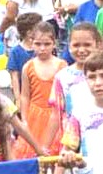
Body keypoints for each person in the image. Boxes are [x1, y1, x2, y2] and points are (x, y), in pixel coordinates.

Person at [46, 22, 103, 174]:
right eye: (75, 44)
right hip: (75, 142)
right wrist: (46, 147)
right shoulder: (63, 77)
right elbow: (57, 114)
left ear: (98, 44)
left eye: (87, 44)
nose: (81, 50)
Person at [16, 22, 66, 162]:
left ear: (54, 43)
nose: (42, 48)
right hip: (34, 116)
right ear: (31, 43)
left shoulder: (62, 66)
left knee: (54, 156)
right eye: (38, 44)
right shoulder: (28, 67)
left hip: (55, 116)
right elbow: (25, 96)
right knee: (32, 155)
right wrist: (24, 119)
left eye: (47, 44)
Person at [7, 13, 43, 101]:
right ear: (29, 33)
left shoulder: (42, 49)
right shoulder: (15, 52)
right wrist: (18, 99)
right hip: (23, 94)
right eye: (40, 28)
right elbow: (14, 77)